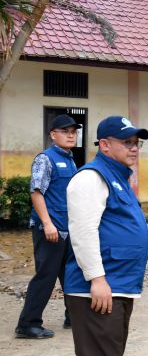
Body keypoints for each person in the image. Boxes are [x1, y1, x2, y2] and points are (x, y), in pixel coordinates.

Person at [63, 116, 148, 356]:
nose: (133, 147)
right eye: (126, 141)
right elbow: (83, 232)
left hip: (119, 282)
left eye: (137, 142)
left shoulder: (117, 177)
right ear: (104, 145)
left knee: (109, 353)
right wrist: (97, 278)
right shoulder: (90, 178)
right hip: (98, 286)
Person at [15, 114, 81, 339]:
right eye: (65, 131)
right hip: (50, 229)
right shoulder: (45, 158)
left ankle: (73, 317)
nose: (71, 135)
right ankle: (28, 324)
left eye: (73, 131)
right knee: (46, 275)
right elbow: (36, 192)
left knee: (71, 274)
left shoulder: (71, 159)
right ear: (53, 135)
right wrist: (47, 224)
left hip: (67, 228)